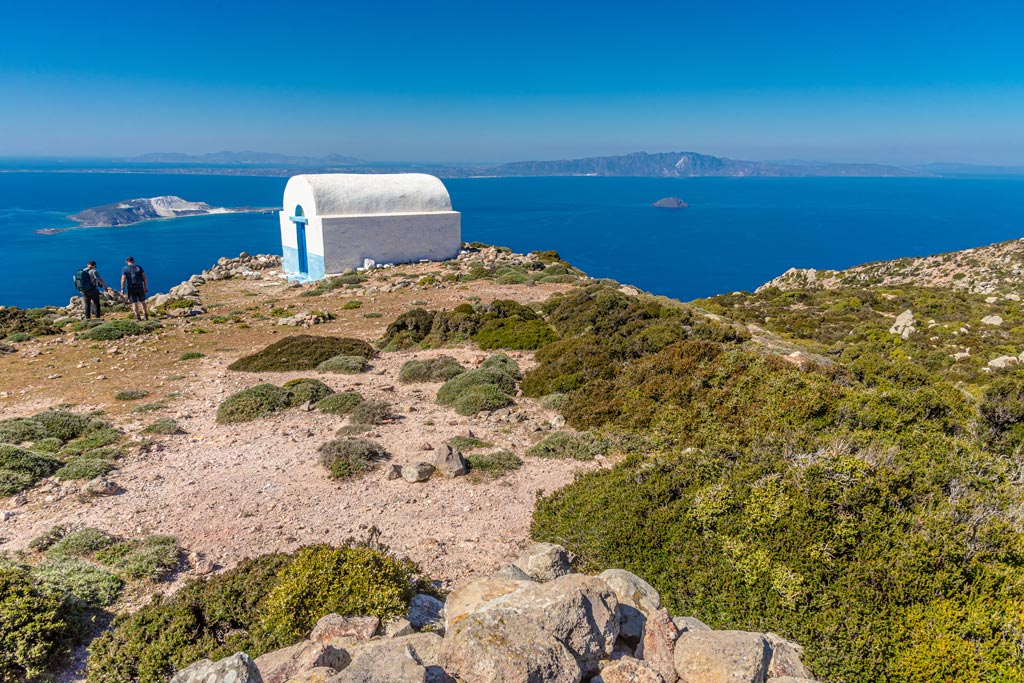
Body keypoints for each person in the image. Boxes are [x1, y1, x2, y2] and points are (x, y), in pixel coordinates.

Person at [120, 256, 149, 321]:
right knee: (143, 302)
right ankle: (146, 316)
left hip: (131, 287)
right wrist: (145, 287)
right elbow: (145, 278)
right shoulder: (139, 267)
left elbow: (123, 279)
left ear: (127, 262)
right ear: (133, 261)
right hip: (140, 286)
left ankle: (138, 318)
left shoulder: (125, 268)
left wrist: (122, 289)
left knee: (134, 303)